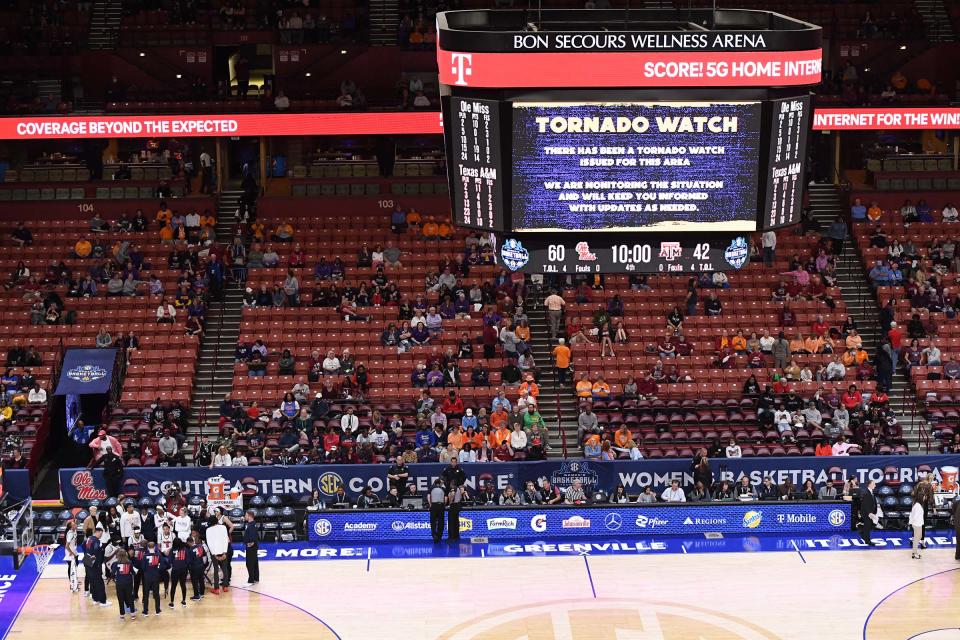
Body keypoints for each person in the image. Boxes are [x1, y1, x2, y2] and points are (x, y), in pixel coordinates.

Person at [83, 526, 108, 606]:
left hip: (87, 560)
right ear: (99, 532)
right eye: (101, 534)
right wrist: (95, 556)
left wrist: (88, 554)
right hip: (94, 562)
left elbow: (83, 546)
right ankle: (102, 601)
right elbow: (96, 549)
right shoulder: (97, 541)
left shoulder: (89, 538)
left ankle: (95, 599)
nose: (101, 536)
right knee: (99, 582)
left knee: (92, 581)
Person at [139, 540, 163, 616]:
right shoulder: (158, 555)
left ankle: (145, 611)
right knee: (156, 593)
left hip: (147, 577)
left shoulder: (145, 556)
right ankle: (157, 610)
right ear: (155, 546)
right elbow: (161, 566)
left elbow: (143, 567)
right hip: (155, 575)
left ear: (148, 547)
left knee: (146, 594)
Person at [113, 548, 136, 619]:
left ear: (118, 555)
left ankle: (122, 615)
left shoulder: (115, 563)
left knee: (121, 599)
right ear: (126, 555)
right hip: (128, 583)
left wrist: (116, 577)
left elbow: (112, 574)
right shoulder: (129, 563)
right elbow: (133, 572)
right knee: (130, 598)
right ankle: (132, 614)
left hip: (119, 583)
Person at [858, 480, 878, 546]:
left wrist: (874, 511)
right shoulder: (866, 492)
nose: (875, 485)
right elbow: (865, 504)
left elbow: (873, 502)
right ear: (869, 485)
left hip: (870, 512)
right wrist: (869, 513)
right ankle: (867, 540)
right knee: (868, 525)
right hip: (867, 513)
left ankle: (862, 531)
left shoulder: (871, 492)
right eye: (874, 484)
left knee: (870, 525)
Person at [243, 510, 260, 585]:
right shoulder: (252, 524)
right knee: (255, 562)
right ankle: (256, 578)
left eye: (246, 515)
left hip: (251, 547)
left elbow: (253, 536)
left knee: (249, 563)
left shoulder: (251, 525)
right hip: (254, 546)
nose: (245, 516)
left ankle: (251, 580)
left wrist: (250, 544)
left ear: (249, 516)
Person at [910, 487, 927, 559]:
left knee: (918, 537)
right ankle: (914, 553)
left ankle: (915, 552)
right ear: (921, 497)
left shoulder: (918, 505)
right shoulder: (917, 506)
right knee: (917, 539)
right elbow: (915, 516)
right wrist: (915, 524)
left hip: (918, 524)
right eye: (924, 497)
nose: (924, 498)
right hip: (917, 524)